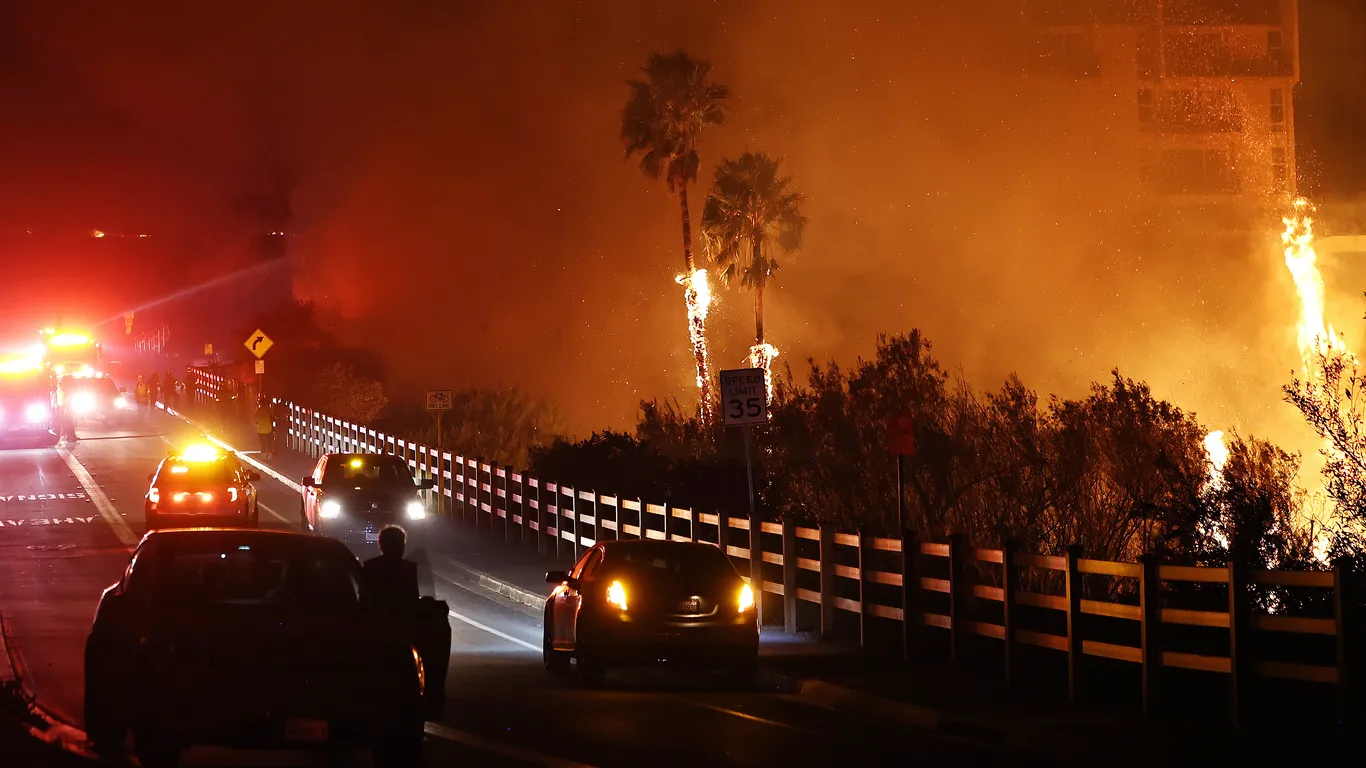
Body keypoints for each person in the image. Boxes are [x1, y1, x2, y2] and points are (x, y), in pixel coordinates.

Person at [360, 526, 419, 621]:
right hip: (403, 621)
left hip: (376, 620)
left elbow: (364, 598)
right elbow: (413, 599)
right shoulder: (409, 567)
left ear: (381, 545)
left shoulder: (370, 566)